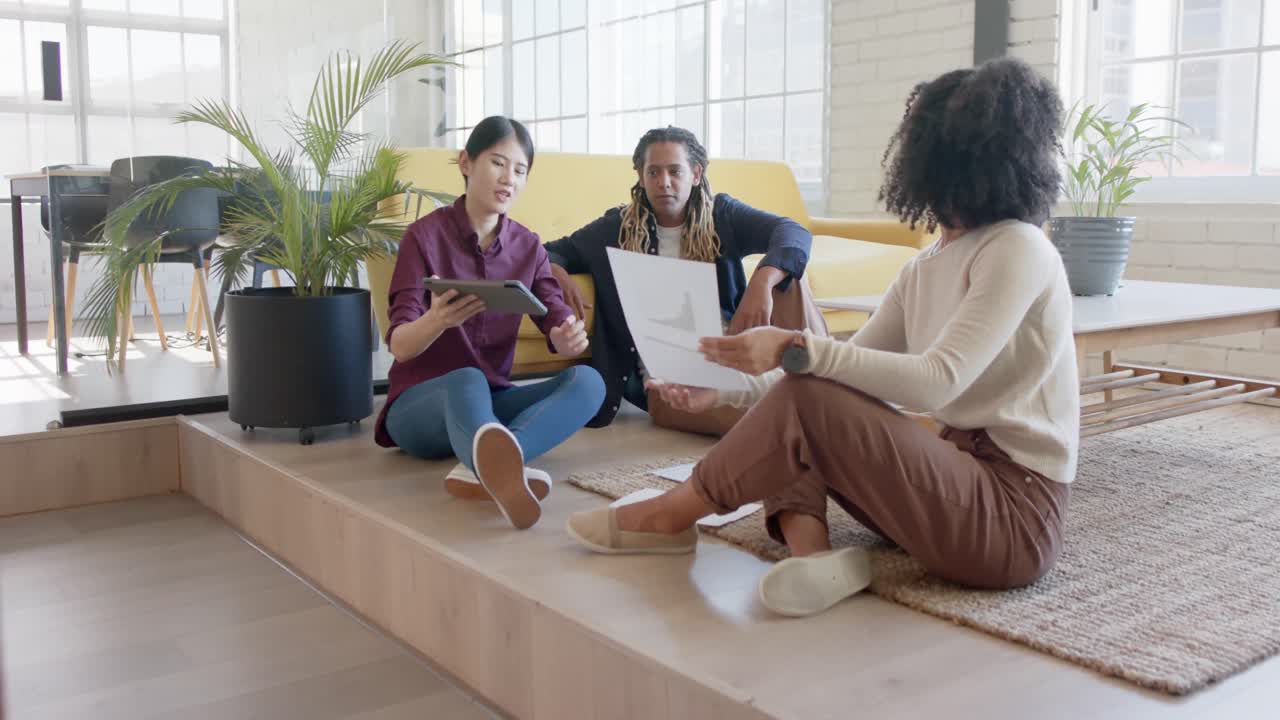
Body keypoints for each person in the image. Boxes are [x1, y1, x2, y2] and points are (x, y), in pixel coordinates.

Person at [566, 57, 1080, 617]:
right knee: (805, 398)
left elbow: (936, 382)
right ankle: (813, 553)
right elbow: (851, 365)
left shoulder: (1018, 246)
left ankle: (672, 514)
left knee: (809, 388)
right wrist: (726, 394)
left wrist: (795, 349)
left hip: (1012, 520)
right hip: (947, 492)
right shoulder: (925, 266)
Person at [375, 116, 605, 530]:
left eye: (520, 171)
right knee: (466, 379)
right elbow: (401, 346)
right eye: (498, 164)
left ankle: (495, 465)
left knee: (589, 382)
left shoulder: (528, 245)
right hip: (418, 409)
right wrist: (437, 320)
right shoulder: (423, 238)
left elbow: (553, 310)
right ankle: (495, 464)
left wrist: (566, 336)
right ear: (466, 162)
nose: (508, 180)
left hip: (491, 405)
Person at [542, 126, 828, 433]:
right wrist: (558, 271)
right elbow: (549, 252)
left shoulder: (723, 215)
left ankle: (822, 383)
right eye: (653, 172)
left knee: (790, 281)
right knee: (777, 423)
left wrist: (763, 281)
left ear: (695, 173)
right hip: (673, 385)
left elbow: (793, 232)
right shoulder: (617, 227)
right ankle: (814, 412)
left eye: (674, 171)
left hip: (734, 359)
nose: (664, 182)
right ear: (641, 176)